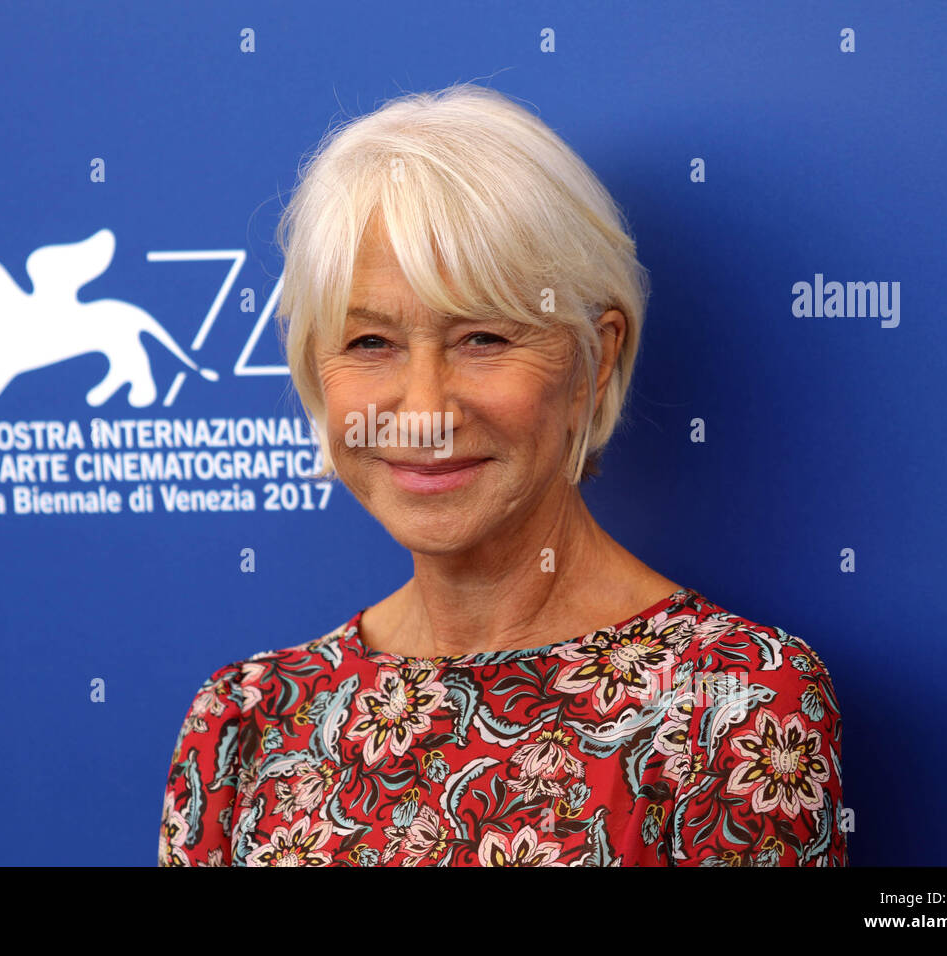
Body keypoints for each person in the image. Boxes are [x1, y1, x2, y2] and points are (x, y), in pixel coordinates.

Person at [158, 82, 846, 866]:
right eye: (371, 343)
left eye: (482, 338)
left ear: (596, 359)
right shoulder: (243, 722)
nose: (421, 410)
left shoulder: (731, 707)